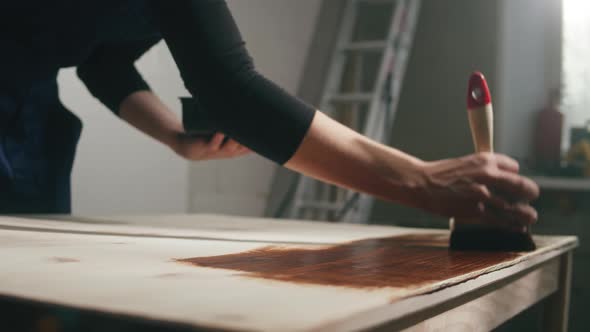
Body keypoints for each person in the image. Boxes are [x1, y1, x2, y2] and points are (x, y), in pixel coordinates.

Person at [0, 0, 538, 231]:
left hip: (30, 115)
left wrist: (174, 136)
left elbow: (101, 61)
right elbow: (233, 89)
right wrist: (420, 180)